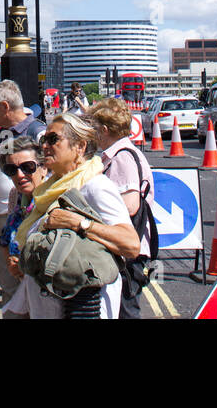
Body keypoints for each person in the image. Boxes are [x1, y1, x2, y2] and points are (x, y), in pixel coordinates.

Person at [4, 112, 139, 320]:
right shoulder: (49, 190)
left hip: (84, 309)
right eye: (43, 140)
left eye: (53, 139)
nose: (45, 146)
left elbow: (130, 245)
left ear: (80, 147)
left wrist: (81, 223)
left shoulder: (95, 187)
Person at [88, 98, 155, 319]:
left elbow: (130, 205)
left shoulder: (121, 158)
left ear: (105, 130)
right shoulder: (118, 155)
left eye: (94, 128)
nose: (91, 133)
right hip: (125, 249)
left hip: (127, 252)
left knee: (125, 310)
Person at [0, 79, 46, 309]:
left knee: (21, 287)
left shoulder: (37, 133)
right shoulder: (4, 133)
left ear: (4, 106)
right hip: (6, 214)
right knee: (7, 281)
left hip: (28, 220)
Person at [0, 136, 48, 319]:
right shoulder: (15, 195)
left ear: (44, 168)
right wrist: (11, 263)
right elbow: (6, 235)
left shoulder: (54, 200)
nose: (19, 175)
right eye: (12, 170)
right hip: (20, 286)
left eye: (28, 167)